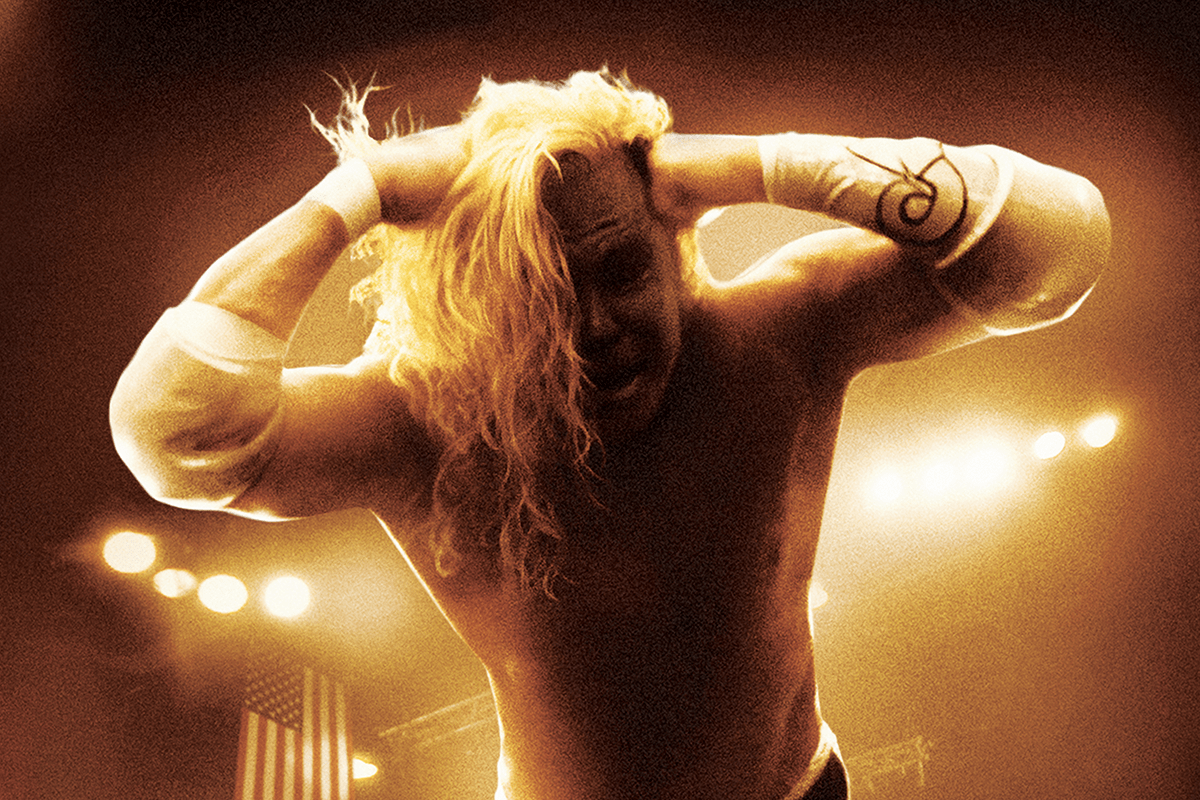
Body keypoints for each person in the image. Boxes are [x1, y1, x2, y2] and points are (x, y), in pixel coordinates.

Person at [110, 69, 1110, 800]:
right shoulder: (430, 419)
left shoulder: (775, 335)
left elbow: (1060, 247)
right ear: (477, 299)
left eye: (620, 266)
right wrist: (354, 195)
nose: (591, 325)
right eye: (541, 292)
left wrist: (743, 164)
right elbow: (171, 428)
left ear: (674, 240)